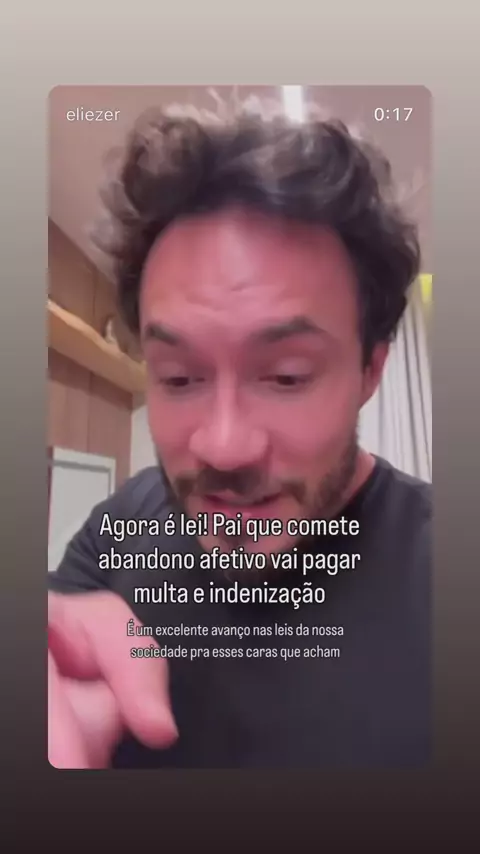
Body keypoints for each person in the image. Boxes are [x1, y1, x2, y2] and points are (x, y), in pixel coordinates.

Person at [48, 100, 431, 769]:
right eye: (179, 377)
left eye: (286, 376)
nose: (222, 447)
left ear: (370, 371)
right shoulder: (120, 529)